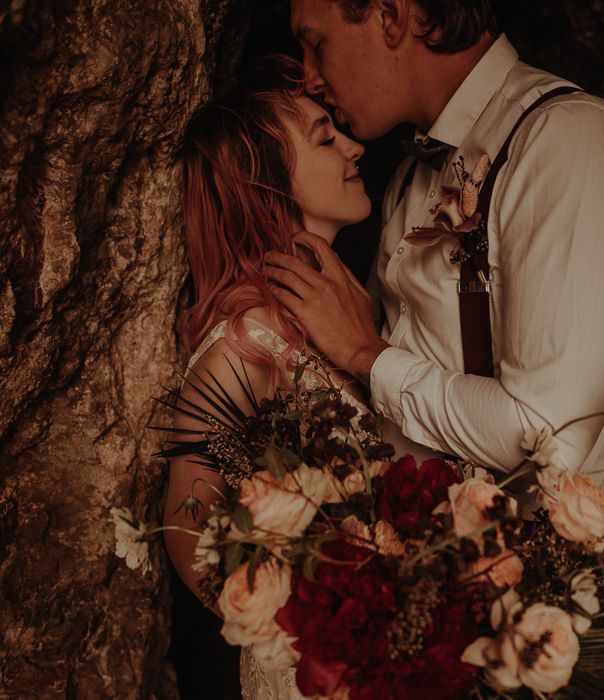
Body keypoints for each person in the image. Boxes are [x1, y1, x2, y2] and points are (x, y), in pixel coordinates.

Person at [265, 0, 604, 495]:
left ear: (389, 16)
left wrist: (367, 354)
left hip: (520, 562)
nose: (308, 78)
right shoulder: (410, 175)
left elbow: (550, 439)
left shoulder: (569, 140)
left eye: (317, 44)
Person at [163, 55, 369, 700]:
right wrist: (289, 623)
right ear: (269, 184)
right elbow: (183, 521)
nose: (354, 146)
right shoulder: (249, 339)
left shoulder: (337, 310)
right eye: (325, 139)